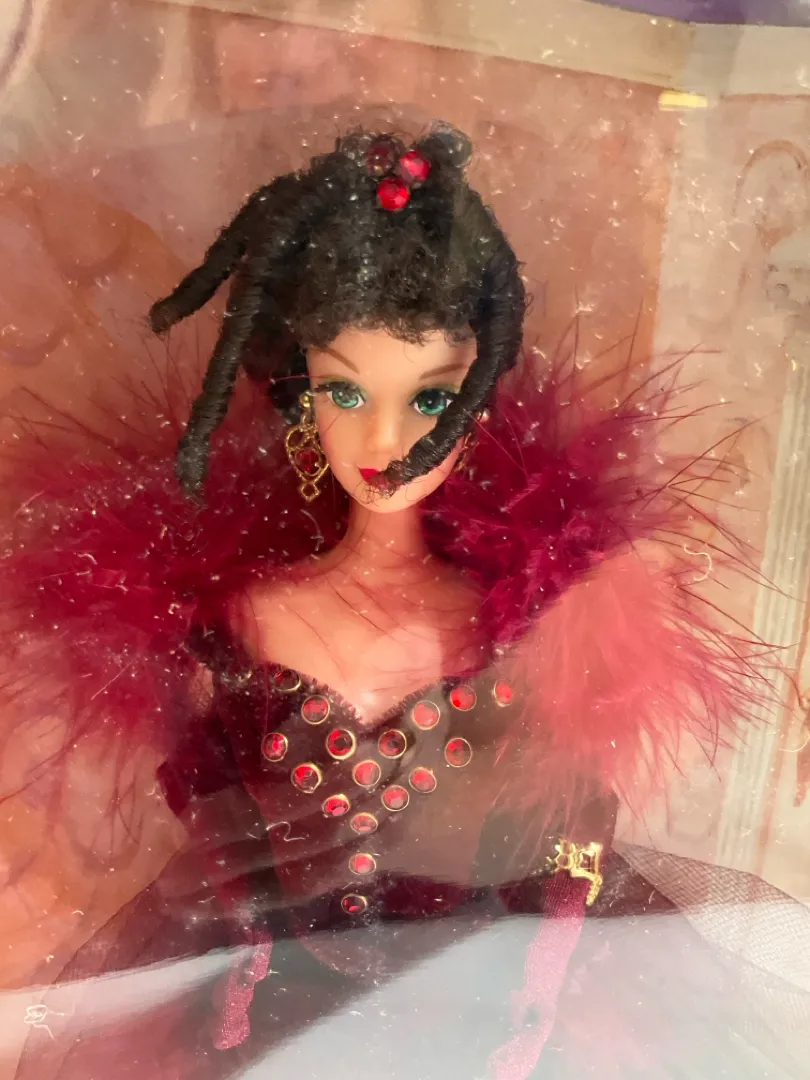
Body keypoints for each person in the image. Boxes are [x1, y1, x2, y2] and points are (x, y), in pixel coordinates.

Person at [2, 123, 808, 1080]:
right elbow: (211, 850)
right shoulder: (247, 620)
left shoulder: (522, 630)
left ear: (478, 398)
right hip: (266, 1035)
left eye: (430, 400)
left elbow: (560, 851)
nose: (385, 441)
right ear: (303, 392)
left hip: (481, 1032)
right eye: (347, 393)